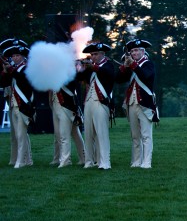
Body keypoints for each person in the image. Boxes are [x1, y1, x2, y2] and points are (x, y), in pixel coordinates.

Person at [116, 39, 159, 169]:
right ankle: (136, 161)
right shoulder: (130, 66)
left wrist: (133, 65)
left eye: (137, 50)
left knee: (146, 135)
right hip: (131, 103)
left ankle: (146, 162)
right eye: (132, 51)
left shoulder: (148, 64)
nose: (134, 53)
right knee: (135, 135)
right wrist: (124, 67)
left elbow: (146, 76)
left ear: (143, 51)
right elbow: (117, 79)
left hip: (145, 103)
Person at [76, 42, 115, 170]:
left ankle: (104, 162)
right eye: (92, 54)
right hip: (89, 102)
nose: (93, 56)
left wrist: (92, 67)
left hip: (101, 101)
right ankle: (89, 161)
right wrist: (79, 68)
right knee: (88, 133)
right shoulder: (90, 67)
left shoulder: (108, 65)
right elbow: (79, 78)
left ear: (103, 54)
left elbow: (108, 74)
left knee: (101, 133)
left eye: (96, 54)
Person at [0, 38, 34, 168]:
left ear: (23, 57)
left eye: (17, 55)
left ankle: (21, 161)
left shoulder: (26, 69)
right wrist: (5, 71)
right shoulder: (13, 70)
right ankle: (26, 159)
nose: (15, 58)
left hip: (23, 104)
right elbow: (3, 83)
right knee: (17, 134)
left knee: (21, 134)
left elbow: (23, 80)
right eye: (13, 55)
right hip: (14, 103)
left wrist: (11, 70)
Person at [50, 80, 85, 167]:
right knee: (61, 133)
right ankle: (83, 157)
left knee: (65, 135)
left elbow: (72, 82)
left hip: (66, 104)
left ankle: (66, 160)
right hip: (56, 102)